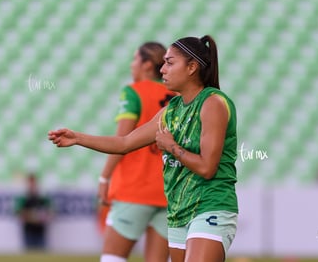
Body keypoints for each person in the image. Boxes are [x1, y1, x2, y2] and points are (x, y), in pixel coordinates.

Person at [48, 35, 239, 262]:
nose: (162, 69)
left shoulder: (213, 103)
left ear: (192, 67)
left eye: (169, 63)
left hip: (211, 205)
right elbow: (125, 143)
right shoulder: (172, 109)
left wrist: (172, 147)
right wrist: (78, 137)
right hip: (178, 210)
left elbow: (208, 168)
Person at [97, 42, 175, 262]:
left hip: (135, 189)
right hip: (169, 192)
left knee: (113, 258)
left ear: (147, 65)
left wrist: (104, 178)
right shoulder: (179, 96)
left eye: (134, 59)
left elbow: (122, 141)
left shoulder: (133, 92)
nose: (132, 65)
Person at [14, 173, 52, 251]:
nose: (32, 185)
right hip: (28, 230)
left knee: (41, 253)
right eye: (30, 183)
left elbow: (51, 212)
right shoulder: (23, 198)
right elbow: (18, 212)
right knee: (29, 254)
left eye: (33, 183)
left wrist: (44, 216)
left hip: (40, 230)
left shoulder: (42, 198)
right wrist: (28, 216)